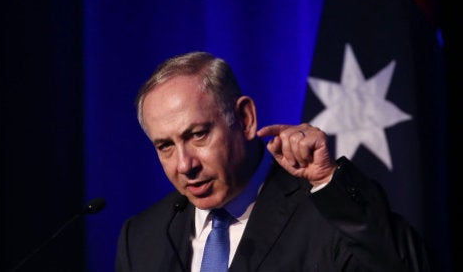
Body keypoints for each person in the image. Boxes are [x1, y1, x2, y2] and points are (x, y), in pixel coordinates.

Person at [115, 51, 433, 271]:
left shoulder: (329, 213)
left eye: (197, 135)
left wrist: (327, 179)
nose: (185, 165)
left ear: (245, 117)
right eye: (165, 146)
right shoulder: (143, 238)